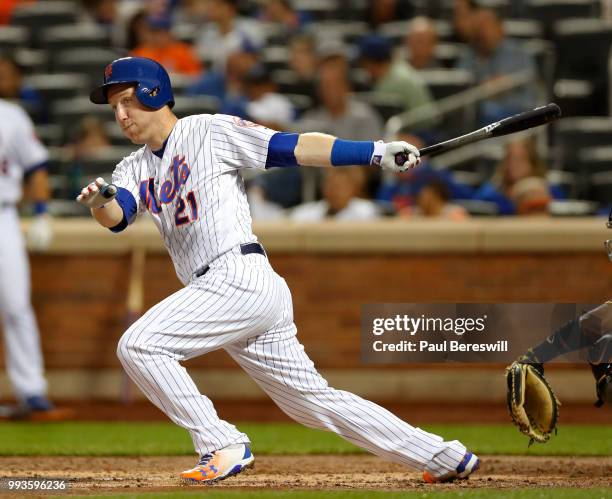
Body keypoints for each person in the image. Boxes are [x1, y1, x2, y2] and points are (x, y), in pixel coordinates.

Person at [77, 56, 480, 484]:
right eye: (114, 106)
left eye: (126, 100)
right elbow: (119, 217)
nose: (120, 114)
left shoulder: (206, 131)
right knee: (311, 403)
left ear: (152, 92)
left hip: (236, 275)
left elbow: (292, 147)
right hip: (231, 289)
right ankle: (442, 455)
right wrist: (101, 201)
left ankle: (220, 442)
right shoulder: (134, 166)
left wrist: (375, 152)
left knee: (139, 345)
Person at [0, 98, 58, 420]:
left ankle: (32, 391)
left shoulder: (10, 115)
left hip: (4, 216)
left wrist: (40, 213)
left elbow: (36, 166)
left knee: (16, 305)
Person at [456, 7, 537, 125]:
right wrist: (483, 86)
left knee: (517, 137)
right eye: (478, 28)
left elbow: (529, 93)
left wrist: (504, 84)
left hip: (516, 114)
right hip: (479, 119)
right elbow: (460, 89)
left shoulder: (518, 53)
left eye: (487, 27)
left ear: (500, 28)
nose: (482, 33)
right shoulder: (469, 55)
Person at [472, 137, 564, 216]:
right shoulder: (491, 194)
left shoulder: (550, 191)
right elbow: (474, 210)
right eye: (509, 159)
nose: (513, 165)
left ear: (532, 163)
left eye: (520, 159)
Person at [290, 167, 380, 222]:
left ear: (354, 189)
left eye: (339, 187)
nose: (333, 191)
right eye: (330, 185)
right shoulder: (306, 212)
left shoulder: (366, 212)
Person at [131, 16, 203, 76]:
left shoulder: (182, 51)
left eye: (163, 32)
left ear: (169, 33)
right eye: (155, 32)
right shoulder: (140, 53)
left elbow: (196, 76)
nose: (159, 37)